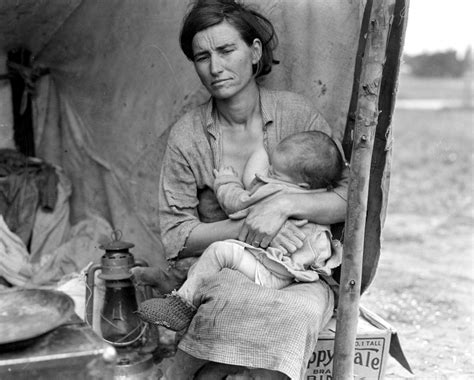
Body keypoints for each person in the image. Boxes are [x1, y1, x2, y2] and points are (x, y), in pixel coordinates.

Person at [134, 1, 348, 378]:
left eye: (226, 50)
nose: (215, 67)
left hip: (302, 273)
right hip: (232, 268)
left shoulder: (296, 115)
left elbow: (348, 200)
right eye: (202, 57)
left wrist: (281, 206)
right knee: (226, 307)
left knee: (296, 316)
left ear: (254, 52)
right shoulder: (189, 135)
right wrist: (251, 226)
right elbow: (177, 236)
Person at [137, 130, 345, 331]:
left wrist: (227, 181)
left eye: (274, 172)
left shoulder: (276, 190)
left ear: (301, 184)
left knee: (219, 252)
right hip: (297, 270)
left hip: (273, 272)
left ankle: (180, 306)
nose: (267, 173)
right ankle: (176, 286)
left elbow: (237, 202)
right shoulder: (318, 196)